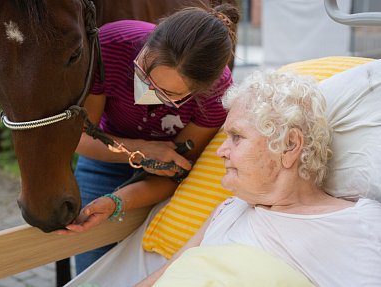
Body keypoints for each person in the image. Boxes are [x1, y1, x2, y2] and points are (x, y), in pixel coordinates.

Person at [135, 70, 381, 286]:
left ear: (289, 145)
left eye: (237, 137)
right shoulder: (228, 209)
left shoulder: (359, 225)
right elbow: (165, 277)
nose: (221, 151)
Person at [55, 4, 240, 274]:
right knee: (91, 265)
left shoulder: (216, 94)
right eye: (142, 72)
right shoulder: (111, 44)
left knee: (147, 264)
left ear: (199, 91)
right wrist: (140, 149)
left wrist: (117, 202)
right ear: (148, 43)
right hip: (102, 159)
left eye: (167, 93)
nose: (146, 91)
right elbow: (80, 138)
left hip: (161, 178)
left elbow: (173, 172)